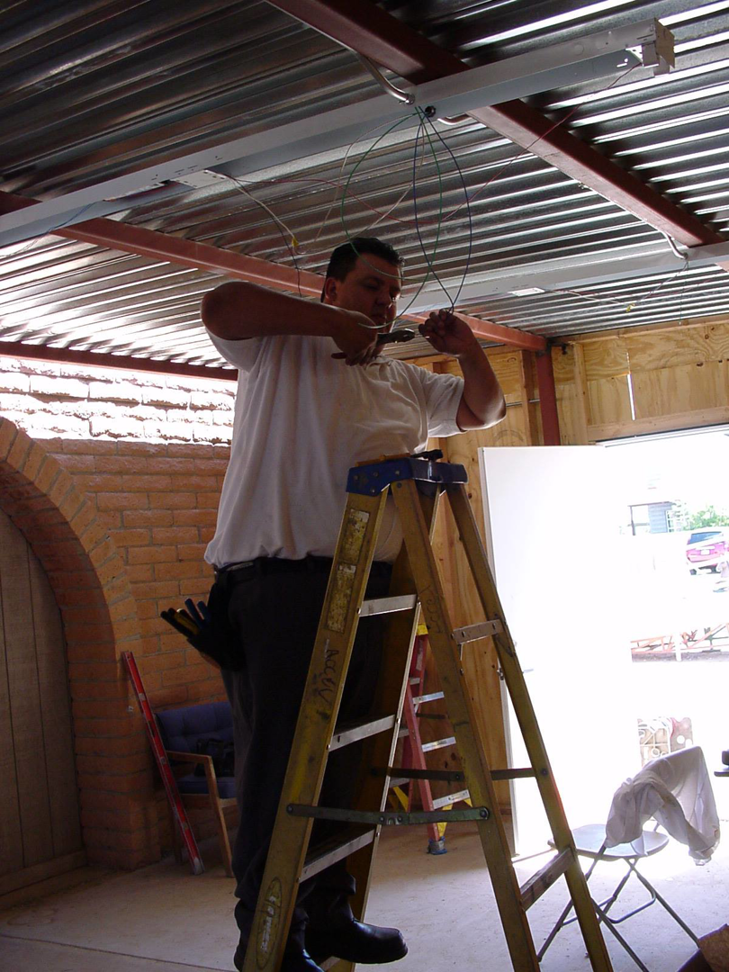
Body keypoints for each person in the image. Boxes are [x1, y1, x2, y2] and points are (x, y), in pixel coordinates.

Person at [200, 237, 506, 972]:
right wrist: (326, 324)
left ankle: (327, 912)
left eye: (390, 292)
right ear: (331, 289)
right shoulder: (277, 350)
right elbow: (221, 304)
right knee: (279, 763)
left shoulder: (403, 382)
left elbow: (482, 409)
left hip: (367, 589)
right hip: (277, 584)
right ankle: (266, 934)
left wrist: (467, 350)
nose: (382, 301)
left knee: (345, 764)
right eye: (369, 286)